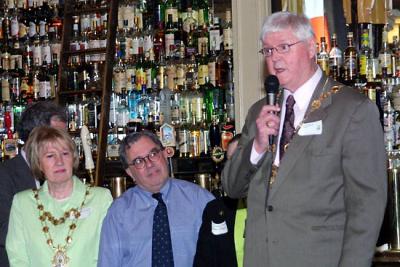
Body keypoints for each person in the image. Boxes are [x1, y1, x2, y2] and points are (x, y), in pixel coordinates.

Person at [222, 11, 387, 267]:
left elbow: (366, 207)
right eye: (267, 51)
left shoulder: (351, 110)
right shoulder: (260, 111)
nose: (274, 58)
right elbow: (232, 188)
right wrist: (257, 146)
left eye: (283, 47)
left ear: (311, 47)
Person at [98, 130, 214, 267]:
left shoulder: (200, 199)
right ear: (130, 173)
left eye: (153, 154)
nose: (149, 164)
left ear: (165, 154)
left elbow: (222, 254)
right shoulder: (119, 212)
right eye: (138, 161)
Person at [6, 126, 113, 267]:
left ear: (73, 158)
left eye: (65, 153)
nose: (59, 162)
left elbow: (111, 255)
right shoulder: (22, 203)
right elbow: (17, 258)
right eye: (50, 156)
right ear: (38, 163)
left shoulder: (100, 199)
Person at [0, 100, 68, 267]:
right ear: (34, 136)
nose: (64, 142)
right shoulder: (5, 174)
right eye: (56, 134)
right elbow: (5, 231)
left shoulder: (63, 169)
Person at [194, 134, 248, 267]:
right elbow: (203, 261)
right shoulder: (215, 209)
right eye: (230, 162)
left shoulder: (275, 206)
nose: (233, 169)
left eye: (239, 160)